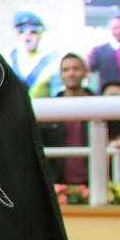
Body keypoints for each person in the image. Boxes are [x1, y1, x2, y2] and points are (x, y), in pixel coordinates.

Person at [39, 54, 95, 186]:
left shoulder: (99, 105)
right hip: (58, 183)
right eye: (66, 70)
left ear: (86, 73)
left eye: (76, 69)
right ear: (60, 75)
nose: (71, 73)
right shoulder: (49, 109)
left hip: (95, 179)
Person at [6, 10, 61, 96]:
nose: (27, 37)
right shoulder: (9, 58)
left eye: (33, 31)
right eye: (21, 31)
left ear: (42, 32)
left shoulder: (53, 61)